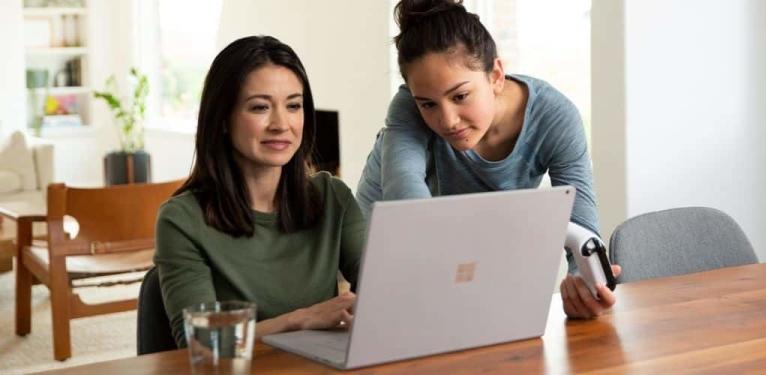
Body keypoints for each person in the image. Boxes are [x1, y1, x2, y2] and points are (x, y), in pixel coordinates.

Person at [356, 0, 619, 319]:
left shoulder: (554, 117)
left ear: (495, 75)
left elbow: (582, 226)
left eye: (460, 96)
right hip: (393, 228)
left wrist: (585, 284)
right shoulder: (406, 110)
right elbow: (407, 202)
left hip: (471, 233)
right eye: (428, 105)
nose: (448, 120)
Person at [155, 35, 364, 347]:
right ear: (223, 118)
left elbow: (385, 292)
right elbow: (198, 340)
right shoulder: (181, 220)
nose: (281, 123)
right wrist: (299, 320)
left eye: (293, 105)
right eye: (260, 107)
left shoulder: (333, 197)